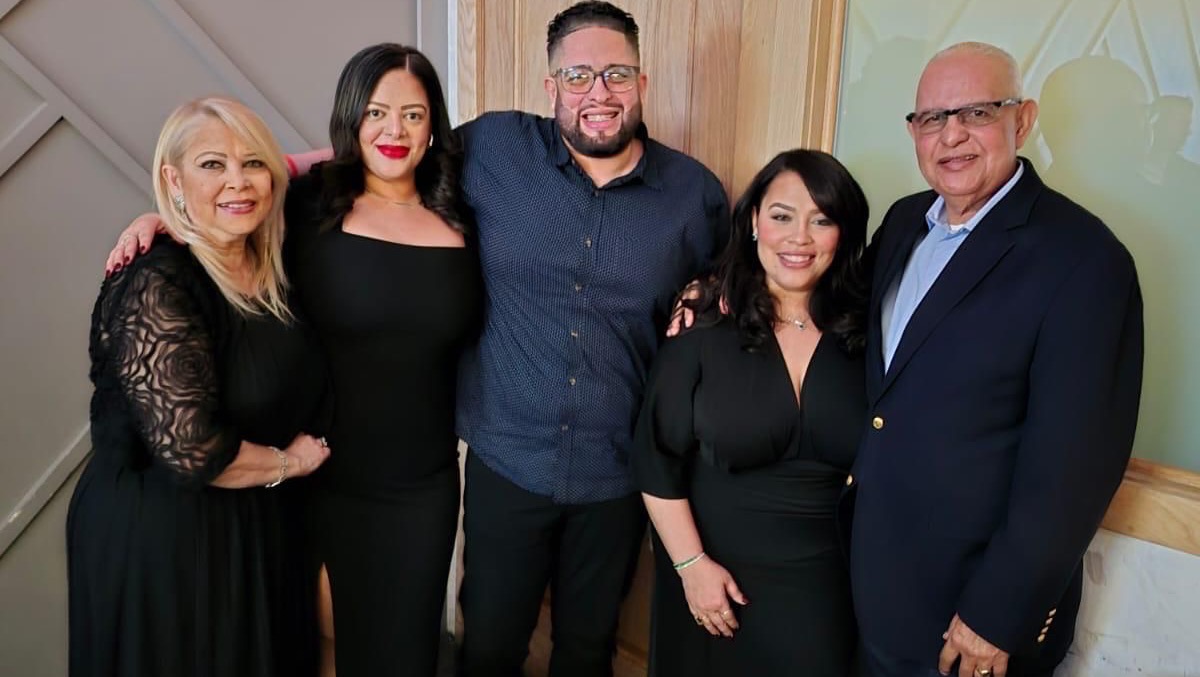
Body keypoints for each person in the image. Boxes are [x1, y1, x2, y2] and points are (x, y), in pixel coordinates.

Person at [103, 44, 479, 676]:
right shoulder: (308, 205)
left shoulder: (466, 209)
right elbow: (237, 195)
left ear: (433, 123)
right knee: (316, 650)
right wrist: (163, 218)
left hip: (424, 483)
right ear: (351, 116)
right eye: (376, 112)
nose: (394, 130)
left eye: (413, 115)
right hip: (319, 472)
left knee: (405, 655)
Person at [849, 42, 1144, 677]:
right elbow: (843, 327)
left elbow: (1075, 469)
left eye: (977, 113)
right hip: (875, 580)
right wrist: (722, 293)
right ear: (913, 131)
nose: (951, 135)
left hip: (972, 615)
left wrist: (999, 613)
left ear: (1023, 120)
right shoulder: (903, 223)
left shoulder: (1085, 260)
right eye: (932, 118)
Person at [452, 3, 728, 675]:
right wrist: (278, 169)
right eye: (578, 76)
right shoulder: (491, 148)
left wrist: (708, 294)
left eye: (616, 74)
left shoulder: (694, 194)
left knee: (587, 652)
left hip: (617, 475)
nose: (598, 93)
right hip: (507, 459)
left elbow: (727, 295)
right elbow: (385, 167)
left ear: (641, 82)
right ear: (551, 87)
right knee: (488, 648)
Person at [69, 96, 332, 677]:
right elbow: (193, 452)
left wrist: (265, 171)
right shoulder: (155, 280)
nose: (237, 181)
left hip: (257, 527)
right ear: (173, 179)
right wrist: (291, 462)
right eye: (212, 164)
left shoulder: (268, 258)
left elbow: (357, 154)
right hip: (167, 541)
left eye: (252, 163)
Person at [633, 149, 867, 676]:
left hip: (827, 590)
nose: (799, 238)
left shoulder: (868, 329)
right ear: (755, 222)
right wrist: (692, 567)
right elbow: (656, 457)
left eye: (822, 220)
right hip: (712, 579)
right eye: (782, 216)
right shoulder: (702, 319)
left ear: (844, 233)